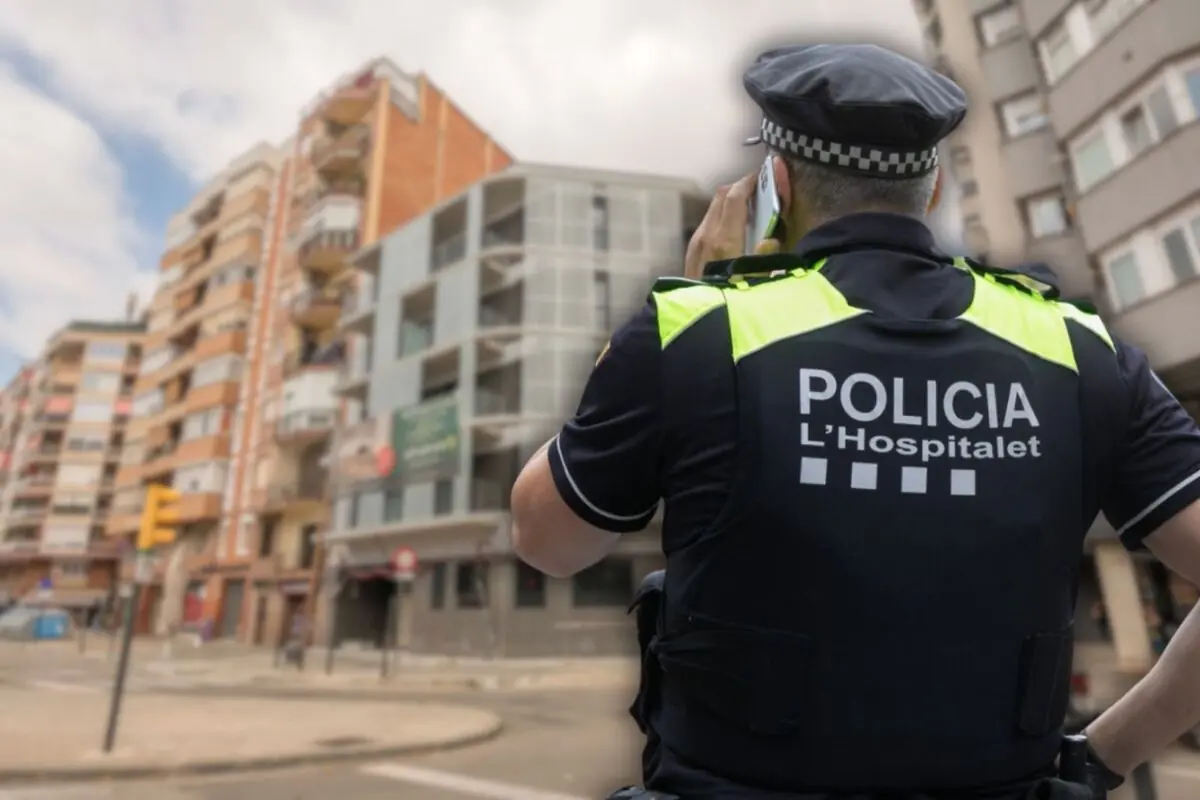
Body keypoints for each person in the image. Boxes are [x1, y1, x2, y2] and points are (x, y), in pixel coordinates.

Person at [510, 41, 1200, 799]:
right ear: (932, 191)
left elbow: (547, 541)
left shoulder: (701, 331)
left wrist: (678, 303)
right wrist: (1102, 754)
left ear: (775, 183)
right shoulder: (1076, 349)